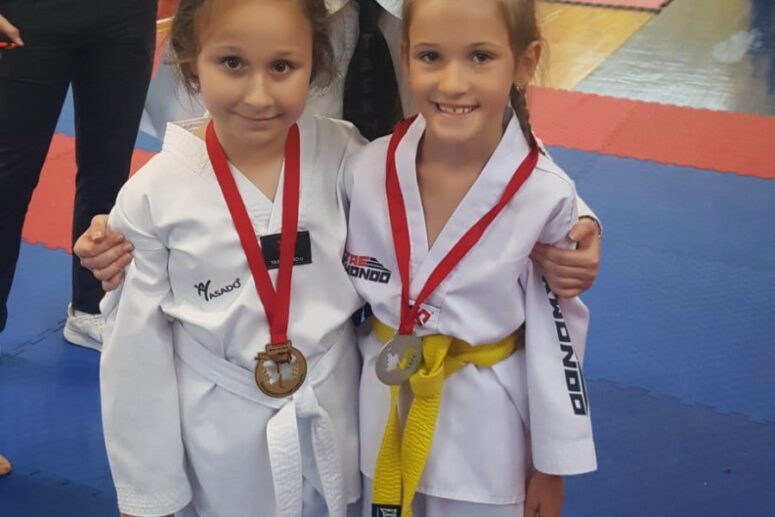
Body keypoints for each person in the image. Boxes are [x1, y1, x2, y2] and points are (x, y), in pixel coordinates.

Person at [97, 0, 366, 515]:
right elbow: (135, 355)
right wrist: (149, 494)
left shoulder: (345, 156)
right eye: (232, 63)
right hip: (219, 434)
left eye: (282, 66)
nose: (258, 95)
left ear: (315, 63)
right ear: (190, 59)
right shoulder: (153, 195)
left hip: (335, 411)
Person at [343, 0, 596, 516]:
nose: (453, 83)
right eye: (431, 56)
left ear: (524, 63)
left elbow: (558, 339)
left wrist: (551, 466)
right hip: (379, 409)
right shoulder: (364, 170)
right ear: (405, 57)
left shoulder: (545, 196)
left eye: (480, 57)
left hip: (485, 436)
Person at [0, 1, 158, 350]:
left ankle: (92, 309)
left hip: (125, 16)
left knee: (110, 172)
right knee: (7, 178)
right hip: (26, 16)